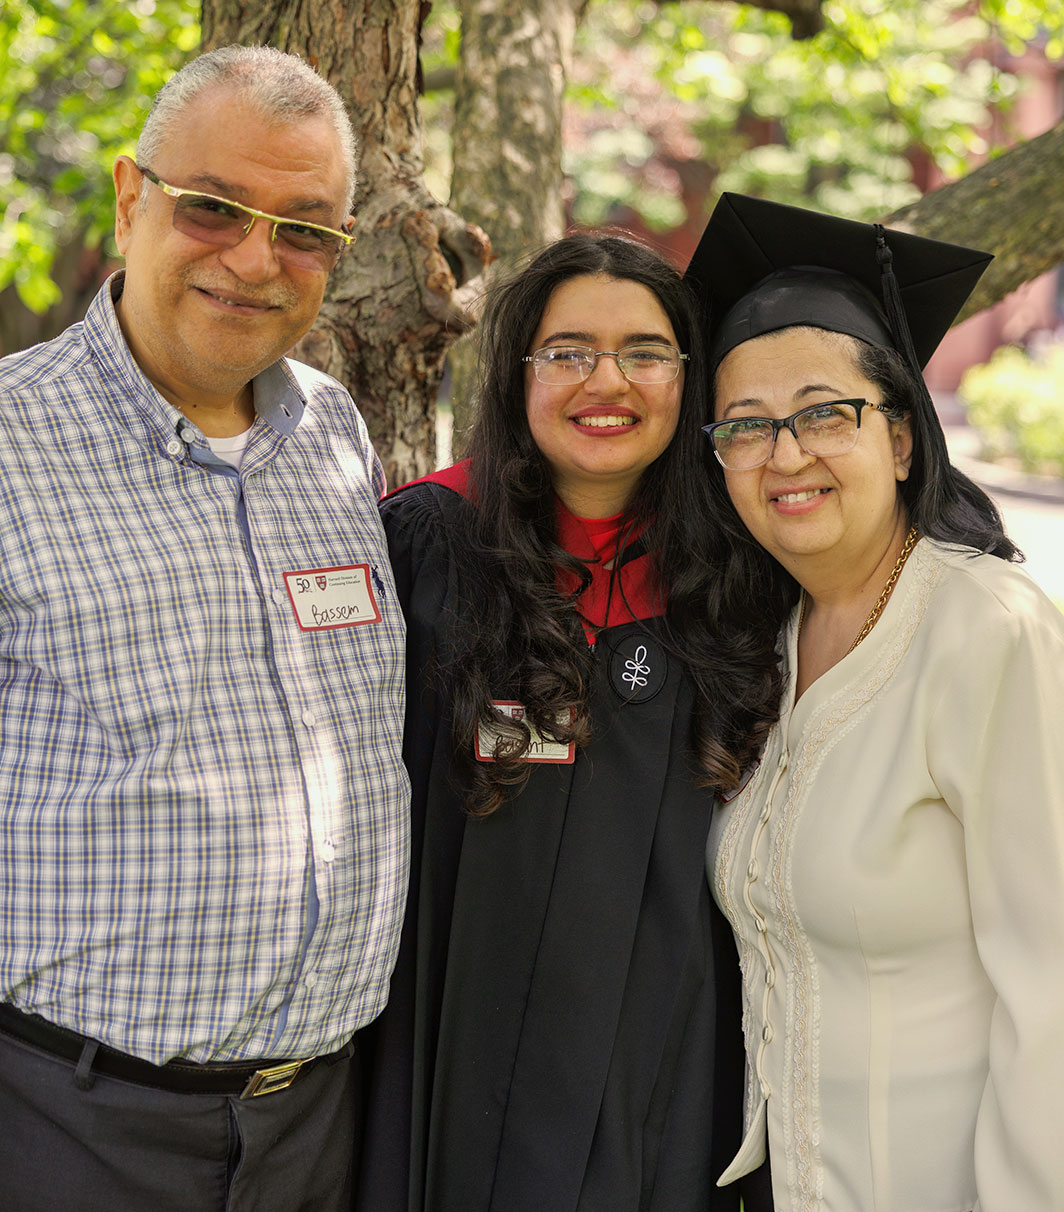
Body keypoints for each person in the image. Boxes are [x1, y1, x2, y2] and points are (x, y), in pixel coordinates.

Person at [0, 45, 409, 1212]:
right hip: (64, 1129)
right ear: (133, 199)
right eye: (214, 208)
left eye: (303, 229)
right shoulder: (7, 448)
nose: (253, 258)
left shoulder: (334, 436)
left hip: (320, 1124)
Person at [357, 234, 775, 1211]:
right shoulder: (426, 543)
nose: (607, 381)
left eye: (643, 353)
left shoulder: (730, 576)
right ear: (516, 372)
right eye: (568, 351)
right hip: (453, 1025)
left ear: (686, 379)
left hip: (656, 1057)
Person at [687, 192, 1064, 1210]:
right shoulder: (764, 646)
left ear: (899, 439)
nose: (785, 453)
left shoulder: (987, 633)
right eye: (745, 427)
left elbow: (1053, 991)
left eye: (823, 412)